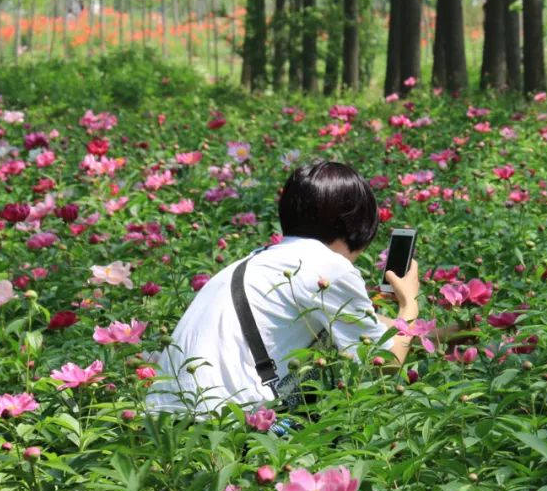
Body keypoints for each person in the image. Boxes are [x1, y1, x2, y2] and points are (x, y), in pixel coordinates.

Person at [146, 161, 420, 415]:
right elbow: (385, 362)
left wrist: (444, 336)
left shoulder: (259, 259)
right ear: (360, 225)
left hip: (163, 420)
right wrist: (409, 304)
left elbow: (369, 330)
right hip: (223, 425)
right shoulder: (328, 266)